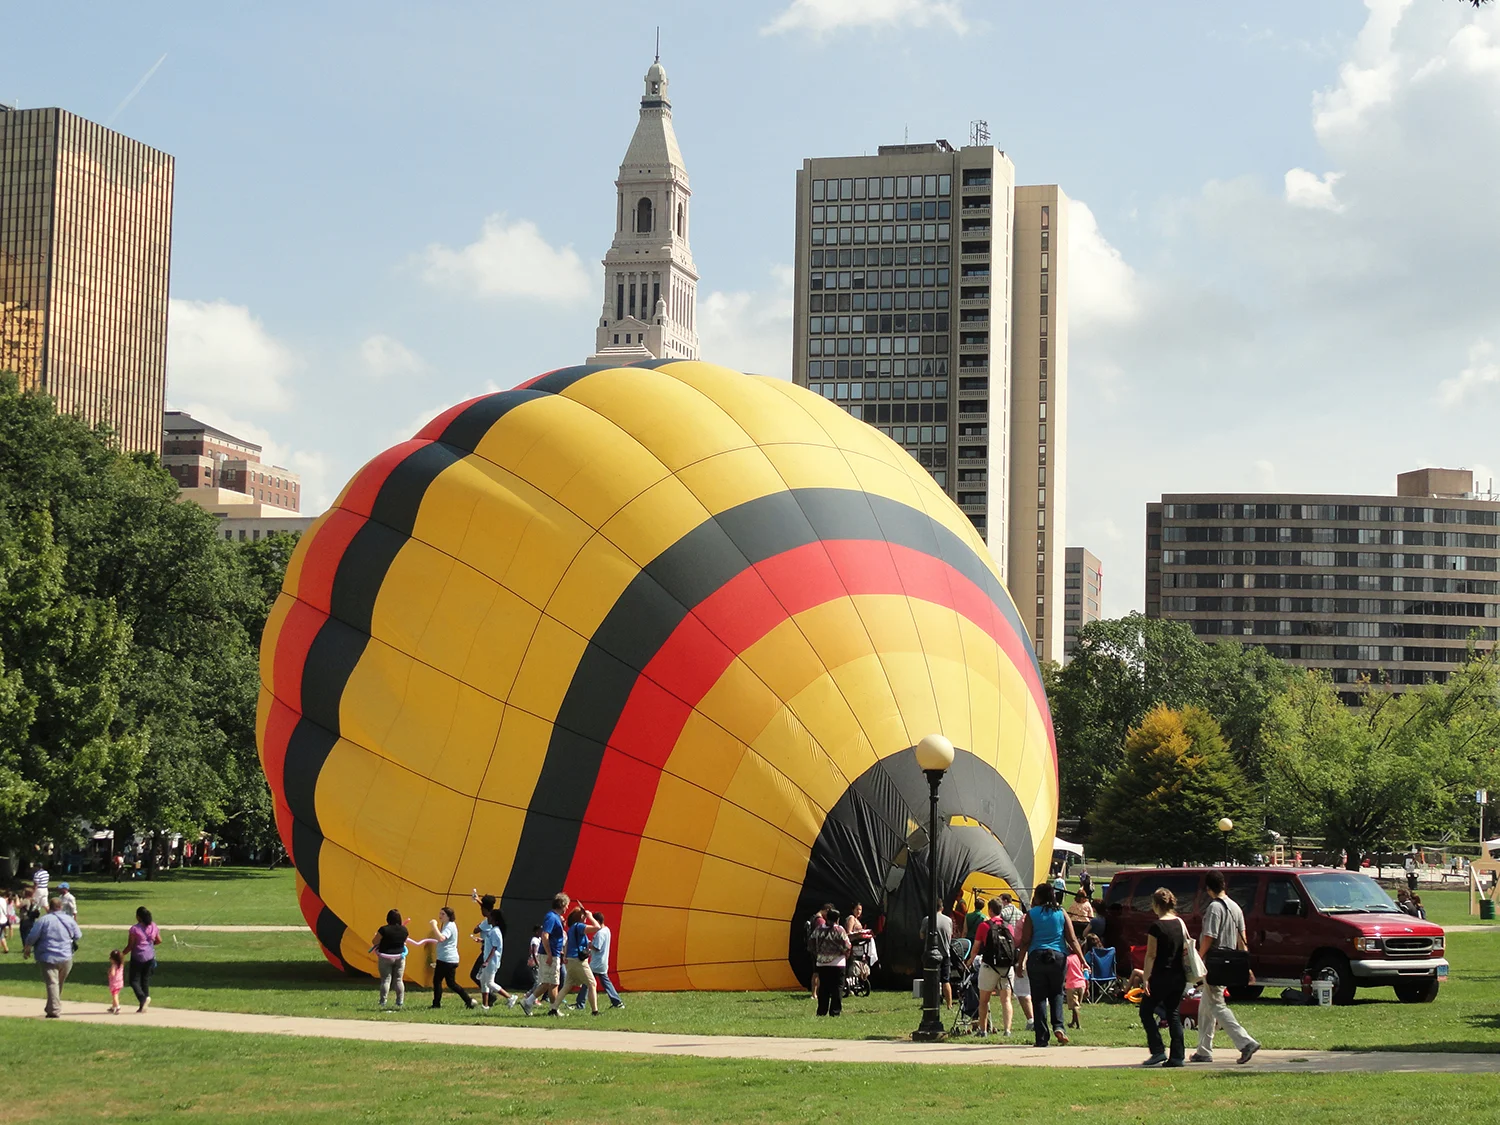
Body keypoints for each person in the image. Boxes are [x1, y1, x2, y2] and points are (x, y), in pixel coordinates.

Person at [1191, 871, 1259, 1065]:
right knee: (1206, 1006)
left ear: (1208, 889)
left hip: (1215, 961)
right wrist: (1246, 965)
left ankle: (1246, 1042)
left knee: (1217, 1005)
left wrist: (1199, 956)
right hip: (1230, 961)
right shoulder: (1235, 907)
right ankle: (1203, 1050)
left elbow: (1209, 936)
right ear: (1224, 885)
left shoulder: (1214, 907)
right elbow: (1242, 939)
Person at [1017, 884, 1084, 1047]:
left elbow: (1025, 940)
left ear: (1038, 897)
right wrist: (1083, 959)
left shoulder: (1031, 914)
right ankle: (1059, 1026)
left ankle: (1041, 1037)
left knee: (1038, 997)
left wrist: (1020, 962)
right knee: (1057, 993)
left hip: (1037, 956)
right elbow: (1072, 939)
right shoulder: (1061, 912)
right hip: (1058, 957)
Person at [1139, 887, 1189, 1067]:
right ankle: (1177, 1056)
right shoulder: (1180, 922)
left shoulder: (1156, 926)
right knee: (1173, 1014)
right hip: (1178, 976)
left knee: (1145, 1011)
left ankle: (1158, 1050)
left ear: (1155, 905)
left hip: (1161, 976)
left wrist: (1145, 977)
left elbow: (1151, 954)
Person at [22, 896, 81, 1018]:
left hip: (48, 955)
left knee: (52, 983)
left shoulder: (44, 920)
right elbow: (78, 935)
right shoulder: (69, 920)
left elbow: (32, 936)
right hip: (66, 956)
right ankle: (51, 1007)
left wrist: (27, 947)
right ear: (61, 907)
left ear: (50, 906)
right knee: (58, 983)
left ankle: (54, 1010)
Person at [969, 897, 1017, 1037]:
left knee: (983, 1000)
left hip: (989, 966)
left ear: (990, 910)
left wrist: (971, 960)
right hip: (1007, 968)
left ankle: (983, 1030)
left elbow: (976, 947)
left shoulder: (984, 926)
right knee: (1006, 1000)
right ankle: (1007, 1030)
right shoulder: (1008, 927)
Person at [521, 893, 569, 1016]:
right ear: (562, 904)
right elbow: (545, 935)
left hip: (553, 953)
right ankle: (554, 1009)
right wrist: (549, 954)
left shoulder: (554, 917)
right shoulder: (552, 917)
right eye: (566, 906)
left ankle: (528, 1002)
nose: (567, 908)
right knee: (554, 983)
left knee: (547, 982)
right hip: (551, 954)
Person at [422, 906, 476, 1010]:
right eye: (440, 913)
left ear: (449, 916)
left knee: (438, 981)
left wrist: (434, 926)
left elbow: (442, 938)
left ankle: (436, 1004)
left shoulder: (449, 926)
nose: (440, 916)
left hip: (446, 959)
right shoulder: (448, 925)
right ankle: (468, 1000)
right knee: (450, 983)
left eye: (443, 914)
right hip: (448, 959)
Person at [561, 906, 604, 1015]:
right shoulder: (580, 926)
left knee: (567, 985)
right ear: (581, 916)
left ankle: (553, 1007)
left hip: (570, 959)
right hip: (578, 960)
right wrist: (590, 917)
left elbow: (567, 944)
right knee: (592, 983)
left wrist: (565, 956)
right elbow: (597, 927)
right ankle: (595, 1011)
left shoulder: (571, 929)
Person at [578, 909, 624, 1009]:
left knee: (587, 982)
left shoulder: (600, 934)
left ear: (598, 921)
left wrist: (589, 944)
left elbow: (597, 947)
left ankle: (580, 1003)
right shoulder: (607, 930)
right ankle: (617, 1002)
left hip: (596, 963)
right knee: (605, 983)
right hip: (602, 962)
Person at [811, 905, 851, 1016]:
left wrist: (818, 953)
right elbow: (847, 945)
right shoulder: (839, 930)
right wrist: (845, 954)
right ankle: (835, 1011)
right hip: (838, 963)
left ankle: (821, 1011)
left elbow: (811, 942)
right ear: (837, 919)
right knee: (837, 988)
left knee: (823, 988)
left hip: (822, 963)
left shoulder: (819, 929)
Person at [369, 909, 411, 1009]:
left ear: (388, 919)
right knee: (398, 980)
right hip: (400, 957)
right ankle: (399, 1001)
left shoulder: (383, 929)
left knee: (386, 980)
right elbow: (404, 942)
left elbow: (375, 942)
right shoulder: (404, 930)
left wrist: (377, 937)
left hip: (385, 957)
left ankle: (383, 1001)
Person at [475, 907, 514, 1009]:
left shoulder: (496, 931)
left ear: (494, 919)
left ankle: (510, 997)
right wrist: (482, 941)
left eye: (490, 916)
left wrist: (487, 961)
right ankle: (485, 1005)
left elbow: (495, 947)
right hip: (488, 960)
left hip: (492, 961)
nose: (488, 918)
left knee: (490, 983)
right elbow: (490, 943)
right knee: (483, 982)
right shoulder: (492, 931)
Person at [919, 905, 955, 1009]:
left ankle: (929, 1003)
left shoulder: (927, 920)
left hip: (930, 954)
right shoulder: (948, 920)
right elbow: (950, 935)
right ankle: (949, 1004)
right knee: (945, 980)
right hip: (945, 953)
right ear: (942, 908)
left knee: (930, 979)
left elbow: (921, 935)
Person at [126, 906, 161, 1013]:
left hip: (138, 956)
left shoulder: (135, 929)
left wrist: (122, 954)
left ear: (138, 917)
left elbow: (131, 946)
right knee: (144, 980)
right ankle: (144, 1005)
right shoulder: (153, 926)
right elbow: (159, 940)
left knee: (133, 981)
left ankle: (142, 998)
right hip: (150, 956)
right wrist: (149, 945)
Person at [1064, 941, 1086, 1029]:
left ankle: (1078, 1025)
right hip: (1082, 984)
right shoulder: (1080, 958)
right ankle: (1073, 1022)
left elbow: (1064, 970)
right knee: (1076, 1005)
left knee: (1074, 1007)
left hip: (1072, 985)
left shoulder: (1067, 959)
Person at [107, 950, 125, 1014]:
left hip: (114, 983)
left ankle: (117, 1007)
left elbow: (113, 974)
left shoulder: (114, 966)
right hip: (120, 982)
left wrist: (109, 972)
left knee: (115, 995)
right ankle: (113, 1007)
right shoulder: (121, 965)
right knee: (116, 994)